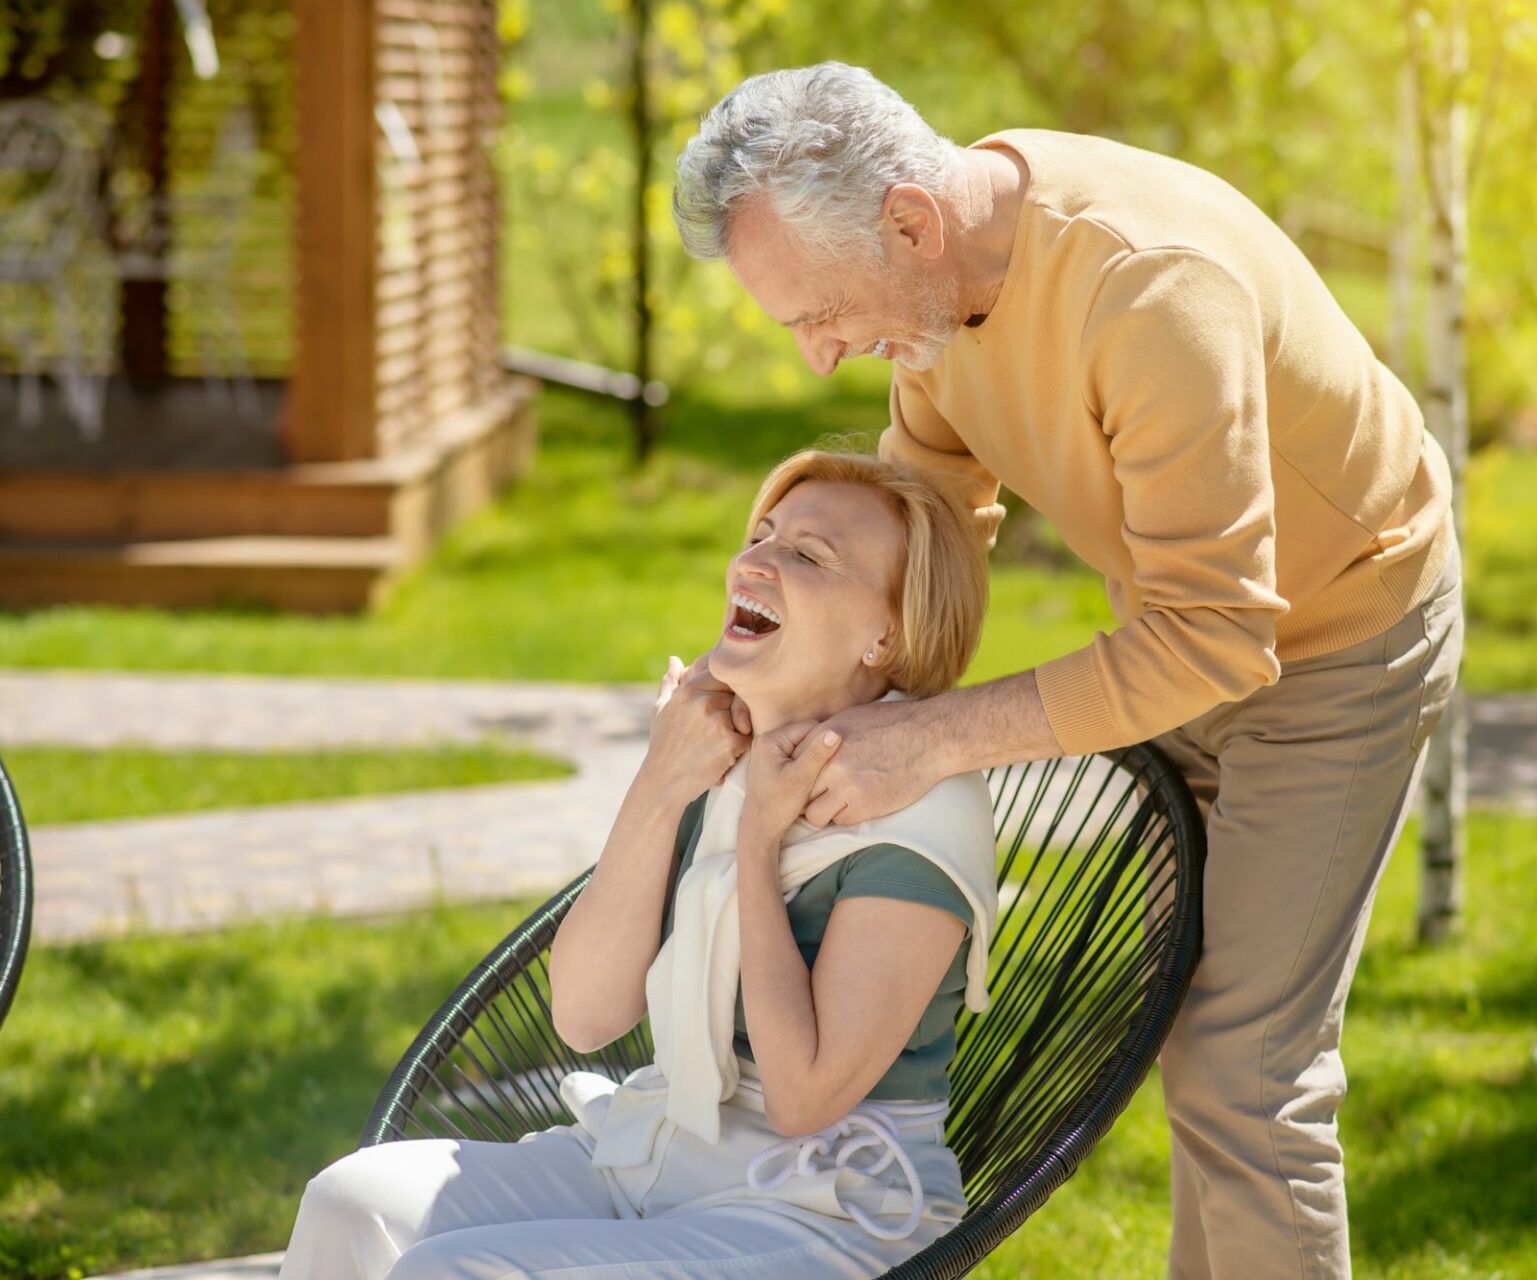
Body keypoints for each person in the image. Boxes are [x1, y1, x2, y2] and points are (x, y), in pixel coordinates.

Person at [672, 63, 1465, 1280]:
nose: (826, 358)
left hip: (1341, 637)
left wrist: (931, 741)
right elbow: (926, 524)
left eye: (820, 313)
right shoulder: (938, 286)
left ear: (908, 221)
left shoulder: (1147, 290)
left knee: (1246, 1069)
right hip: (1183, 627)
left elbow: (1216, 634)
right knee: (1185, 1037)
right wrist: (816, 695)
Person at [277, 450, 1000, 1280]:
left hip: (820, 1207)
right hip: (659, 1149)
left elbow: (804, 1099)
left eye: (809, 554)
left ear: (888, 635)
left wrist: (761, 840)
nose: (755, 562)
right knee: (351, 1202)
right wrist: (663, 779)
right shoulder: (723, 745)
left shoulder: (918, 805)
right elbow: (585, 1015)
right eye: (761, 536)